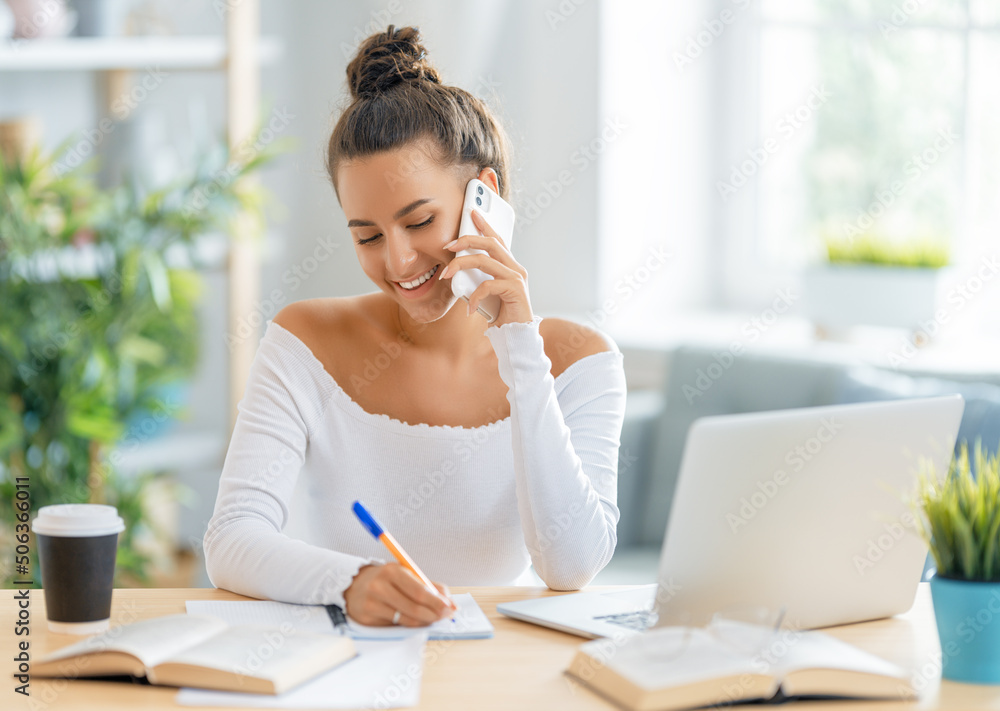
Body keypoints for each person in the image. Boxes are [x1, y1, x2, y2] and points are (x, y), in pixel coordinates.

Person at [203, 25, 627, 628]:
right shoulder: (306, 341)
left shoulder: (580, 358)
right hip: (348, 660)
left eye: (420, 221)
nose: (398, 262)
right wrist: (350, 582)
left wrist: (519, 346)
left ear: (485, 194)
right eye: (368, 236)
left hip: (499, 671)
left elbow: (571, 565)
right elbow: (231, 541)